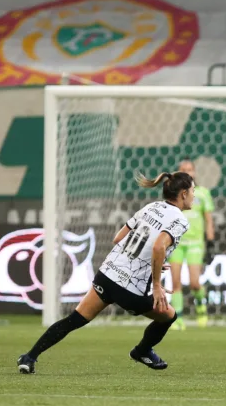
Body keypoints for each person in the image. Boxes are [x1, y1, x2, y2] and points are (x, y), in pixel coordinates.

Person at [16, 171, 193, 374]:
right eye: (193, 190)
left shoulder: (150, 208)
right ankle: (142, 351)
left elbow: (119, 238)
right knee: (168, 317)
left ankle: (29, 357)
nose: (194, 195)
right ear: (184, 193)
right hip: (131, 288)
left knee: (75, 319)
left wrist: (149, 261)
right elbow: (158, 247)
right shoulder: (180, 220)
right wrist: (156, 285)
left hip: (108, 274)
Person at [168, 158, 215, 329]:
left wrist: (210, 243)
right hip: (177, 243)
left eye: (190, 169)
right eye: (183, 169)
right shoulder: (174, 195)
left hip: (195, 243)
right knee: (175, 282)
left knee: (195, 282)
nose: (188, 172)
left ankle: (201, 307)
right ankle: (177, 318)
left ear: (194, 172)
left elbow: (208, 220)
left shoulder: (202, 194)